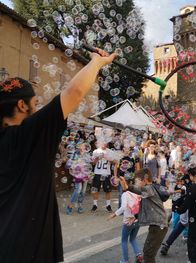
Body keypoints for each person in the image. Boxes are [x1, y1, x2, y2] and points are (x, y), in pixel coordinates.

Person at [0, 49, 116, 262]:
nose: (37, 108)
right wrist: (97, 62)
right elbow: (74, 92)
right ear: (21, 105)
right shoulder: (30, 133)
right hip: (27, 248)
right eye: (34, 103)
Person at [119, 168, 168, 263]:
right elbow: (145, 207)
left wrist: (127, 186)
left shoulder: (149, 188)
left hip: (159, 226)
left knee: (148, 254)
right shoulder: (148, 192)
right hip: (157, 226)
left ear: (145, 179)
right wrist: (135, 217)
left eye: (137, 181)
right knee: (147, 252)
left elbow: (138, 189)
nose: (136, 183)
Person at [108, 178, 143, 263]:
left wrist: (114, 214)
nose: (121, 184)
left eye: (121, 183)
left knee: (124, 240)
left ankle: (126, 260)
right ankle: (139, 255)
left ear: (126, 184)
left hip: (128, 221)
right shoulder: (136, 193)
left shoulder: (125, 194)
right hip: (137, 220)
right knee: (133, 239)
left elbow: (123, 207)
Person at [91, 142, 115, 212]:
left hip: (106, 173)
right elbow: (93, 163)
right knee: (95, 189)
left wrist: (108, 158)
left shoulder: (110, 151)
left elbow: (114, 162)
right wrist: (98, 158)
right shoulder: (96, 151)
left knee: (107, 190)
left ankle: (108, 205)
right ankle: (95, 205)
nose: (104, 144)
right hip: (97, 173)